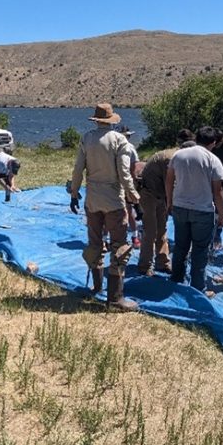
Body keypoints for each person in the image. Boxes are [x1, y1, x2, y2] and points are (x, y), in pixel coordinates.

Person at [70, 103, 141, 311]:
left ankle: (97, 286)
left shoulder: (87, 138)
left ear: (96, 120)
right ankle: (116, 299)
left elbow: (77, 169)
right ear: (112, 121)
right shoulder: (119, 140)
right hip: (113, 199)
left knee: (95, 242)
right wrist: (133, 196)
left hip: (92, 198)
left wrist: (74, 193)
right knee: (119, 244)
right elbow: (124, 174)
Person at [166, 126, 223, 293]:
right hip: (203, 210)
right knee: (200, 250)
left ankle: (176, 278)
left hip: (179, 206)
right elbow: (218, 191)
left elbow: (169, 180)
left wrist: (169, 201)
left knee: (180, 246)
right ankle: (198, 287)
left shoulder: (179, 155)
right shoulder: (213, 160)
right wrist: (222, 214)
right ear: (213, 143)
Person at [135, 129, 195, 275]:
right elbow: (171, 183)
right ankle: (145, 266)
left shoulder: (179, 156)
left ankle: (162, 262)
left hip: (160, 194)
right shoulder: (171, 159)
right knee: (150, 230)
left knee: (162, 229)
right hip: (148, 193)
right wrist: (173, 205)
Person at [118, 126, 141, 247]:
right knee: (128, 209)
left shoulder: (113, 146)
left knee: (114, 210)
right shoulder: (130, 147)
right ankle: (134, 236)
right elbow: (134, 167)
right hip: (125, 182)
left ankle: (107, 238)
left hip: (117, 182)